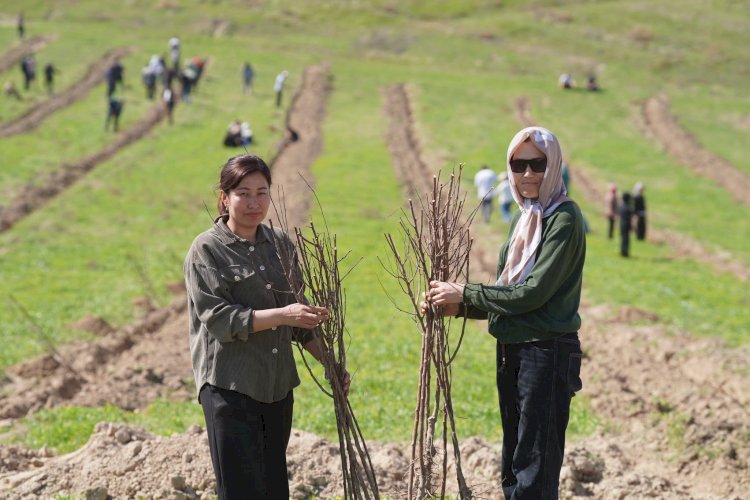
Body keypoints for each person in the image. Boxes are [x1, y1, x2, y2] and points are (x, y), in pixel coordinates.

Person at [424, 126, 585, 499]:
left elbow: (532, 294)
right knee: (514, 461)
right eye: (518, 164)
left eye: (537, 164)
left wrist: (466, 291)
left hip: (546, 351)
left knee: (534, 467)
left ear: (554, 166)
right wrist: (457, 307)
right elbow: (508, 293)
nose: (527, 173)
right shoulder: (524, 217)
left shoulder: (563, 218)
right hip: (513, 348)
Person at [183, 154, 349, 499]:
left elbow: (300, 321)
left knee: (274, 488)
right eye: (243, 193)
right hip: (230, 387)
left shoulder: (280, 245)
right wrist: (283, 315)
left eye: (262, 193)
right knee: (241, 491)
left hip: (276, 386)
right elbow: (220, 320)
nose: (254, 203)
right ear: (224, 197)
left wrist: (329, 363)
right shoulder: (207, 250)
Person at [618, 192, 632, 257]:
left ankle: (622, 251)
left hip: (621, 224)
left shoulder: (621, 206)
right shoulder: (628, 207)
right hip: (627, 225)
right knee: (626, 239)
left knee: (623, 239)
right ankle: (625, 253)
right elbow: (630, 217)